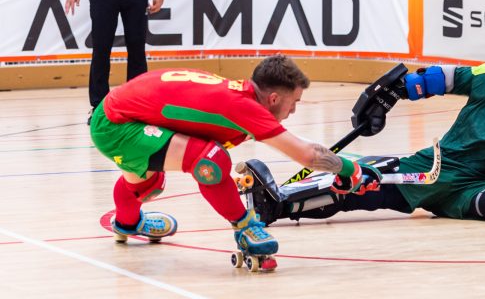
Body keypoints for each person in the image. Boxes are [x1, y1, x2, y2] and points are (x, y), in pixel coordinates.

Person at [252, 50, 485, 237]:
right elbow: (439, 80)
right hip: (435, 170)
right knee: (359, 183)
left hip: (478, 187)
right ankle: (278, 206)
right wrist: (394, 93)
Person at [89, 55, 375, 269]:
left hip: (118, 114)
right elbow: (307, 155)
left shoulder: (239, 92)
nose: (294, 110)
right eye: (294, 102)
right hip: (117, 125)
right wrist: (353, 169)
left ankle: (126, 223)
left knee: (150, 184)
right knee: (210, 162)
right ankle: (245, 227)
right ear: (274, 98)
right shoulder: (245, 107)